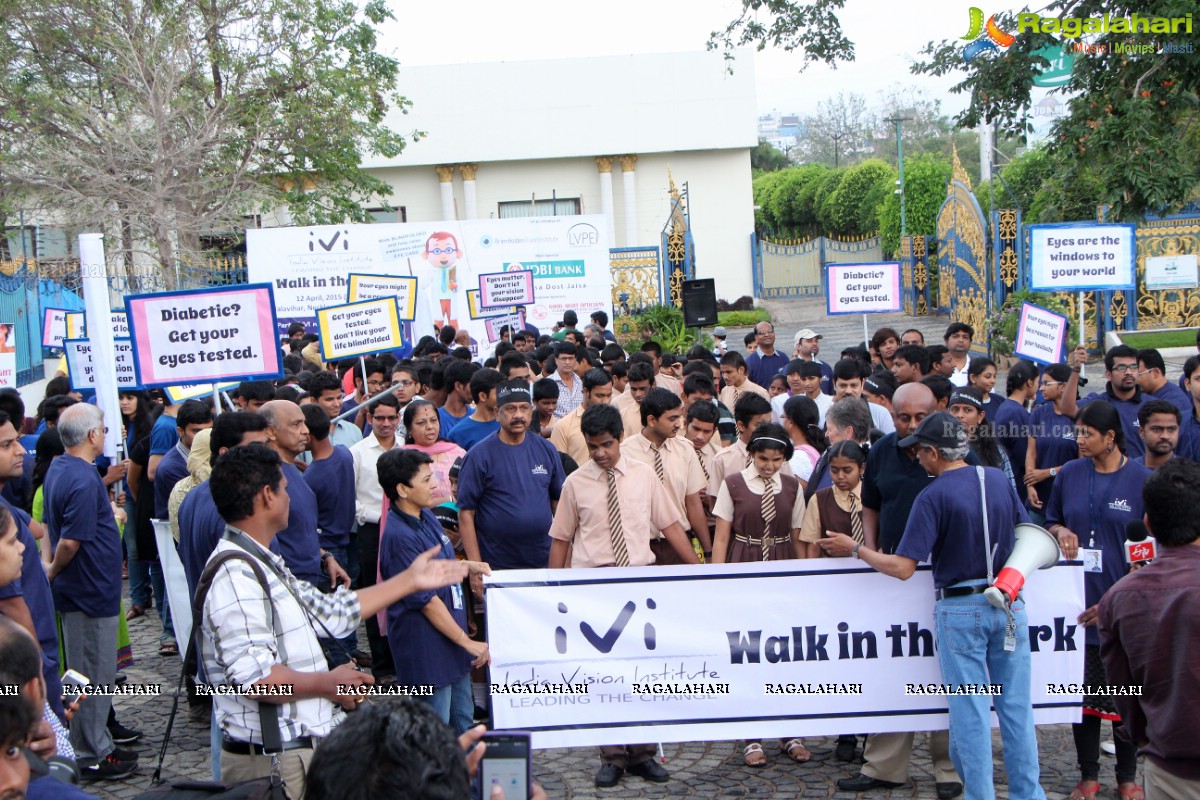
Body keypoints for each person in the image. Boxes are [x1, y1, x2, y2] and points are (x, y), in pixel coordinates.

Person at [199, 443, 473, 799]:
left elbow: (331, 612)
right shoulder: (237, 576)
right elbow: (259, 683)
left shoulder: (263, 562)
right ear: (267, 496)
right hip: (275, 762)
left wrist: (410, 580)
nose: (289, 498)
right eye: (284, 488)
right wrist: (328, 684)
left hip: (297, 752)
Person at [821, 413, 1045, 800]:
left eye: (920, 453)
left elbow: (903, 568)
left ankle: (981, 796)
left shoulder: (933, 494)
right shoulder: (994, 478)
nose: (918, 460)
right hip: (1010, 602)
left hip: (960, 608)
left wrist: (856, 548)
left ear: (932, 453)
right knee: (1016, 710)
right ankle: (1030, 795)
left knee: (970, 714)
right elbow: (1026, 535)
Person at [548, 404, 696, 788]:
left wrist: (699, 569)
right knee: (604, 675)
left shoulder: (644, 475)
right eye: (593, 446)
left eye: (607, 445)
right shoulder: (575, 483)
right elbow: (561, 539)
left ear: (619, 438)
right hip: (594, 587)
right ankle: (612, 755)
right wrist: (553, 590)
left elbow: (669, 524)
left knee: (641, 672)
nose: (600, 453)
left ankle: (644, 753)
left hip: (638, 583)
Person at [837, 384, 965, 796]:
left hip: (946, 577)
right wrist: (872, 549)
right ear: (888, 414)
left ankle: (950, 768)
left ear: (938, 410)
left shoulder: (959, 451)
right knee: (893, 665)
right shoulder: (881, 451)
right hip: (893, 573)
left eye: (919, 417)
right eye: (902, 417)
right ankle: (883, 767)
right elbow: (871, 503)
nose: (911, 425)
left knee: (947, 673)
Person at [1045, 401, 1150, 800]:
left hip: (1122, 607)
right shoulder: (1070, 473)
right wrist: (1059, 529)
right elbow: (1050, 517)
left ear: (1110, 437)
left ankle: (1127, 778)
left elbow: (1148, 551)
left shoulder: (1140, 479)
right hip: (1077, 608)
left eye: (1087, 432)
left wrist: (1117, 600)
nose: (1080, 439)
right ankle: (1088, 775)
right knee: (1083, 700)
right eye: (1078, 431)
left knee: (1125, 698)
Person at [1099, 459, 1200, 798]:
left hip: (1169, 766)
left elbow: (1122, 687)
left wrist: (1143, 737)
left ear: (1148, 523)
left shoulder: (1118, 599)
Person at [710, 423, 808, 766]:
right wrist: (718, 580)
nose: (768, 465)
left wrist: (803, 577)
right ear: (751, 455)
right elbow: (721, 535)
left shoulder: (793, 486)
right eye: (763, 458)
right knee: (749, 651)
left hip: (781, 564)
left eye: (776, 459)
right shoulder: (734, 483)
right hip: (744, 563)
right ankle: (751, 734)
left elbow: (797, 535)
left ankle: (789, 730)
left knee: (784, 650)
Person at [42, 405, 129, 780]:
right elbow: (70, 540)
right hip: (88, 592)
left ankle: (95, 742)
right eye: (104, 429)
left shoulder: (61, 469)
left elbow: (50, 527)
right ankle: (91, 752)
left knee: (90, 670)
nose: (106, 434)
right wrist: (52, 569)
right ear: (92, 436)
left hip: (86, 589)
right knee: (92, 673)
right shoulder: (79, 477)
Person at [378, 450, 489, 734]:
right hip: (426, 651)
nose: (434, 485)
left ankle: (464, 777)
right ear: (402, 489)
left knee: (463, 723)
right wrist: (467, 641)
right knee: (434, 733)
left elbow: (442, 563)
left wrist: (468, 566)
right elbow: (427, 603)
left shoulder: (424, 515)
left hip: (452, 646)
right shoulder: (400, 537)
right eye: (426, 479)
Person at [458, 381, 565, 588]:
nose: (518, 415)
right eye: (510, 408)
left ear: (531, 411)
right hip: (497, 568)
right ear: (497, 412)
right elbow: (466, 514)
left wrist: (563, 559)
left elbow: (558, 505)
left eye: (524, 408)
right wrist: (477, 566)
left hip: (544, 562)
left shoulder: (546, 450)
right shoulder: (478, 455)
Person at [0, 413, 65, 727]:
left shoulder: (7, 509)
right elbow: (11, 602)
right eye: (7, 444)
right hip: (25, 662)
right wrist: (38, 668)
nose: (20, 451)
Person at [350, 394, 405, 679]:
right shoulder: (358, 452)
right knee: (375, 595)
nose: (386, 424)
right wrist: (369, 515)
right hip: (372, 530)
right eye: (379, 418)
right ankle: (383, 666)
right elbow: (350, 495)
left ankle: (403, 660)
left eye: (391, 418)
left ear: (398, 418)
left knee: (404, 593)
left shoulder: (406, 449)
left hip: (404, 529)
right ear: (369, 418)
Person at [621, 388, 711, 562]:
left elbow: (693, 503)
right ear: (652, 420)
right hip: (639, 546)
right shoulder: (624, 453)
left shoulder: (685, 449)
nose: (679, 424)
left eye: (680, 416)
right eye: (672, 419)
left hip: (679, 545)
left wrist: (708, 552)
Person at [1025, 362, 1082, 522]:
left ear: (1063, 386)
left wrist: (1048, 472)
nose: (1041, 388)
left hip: (1068, 496)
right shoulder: (1038, 414)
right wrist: (1030, 485)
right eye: (1041, 384)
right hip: (1040, 499)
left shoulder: (1078, 417)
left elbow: (1082, 461)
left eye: (1046, 383)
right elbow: (1031, 452)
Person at [1067, 345, 1146, 459]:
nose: (1128, 372)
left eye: (1133, 367)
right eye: (1121, 368)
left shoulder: (1150, 405)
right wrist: (1076, 369)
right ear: (1108, 374)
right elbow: (1068, 408)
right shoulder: (1097, 403)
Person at [804, 397, 873, 502]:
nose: (826, 434)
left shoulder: (872, 463)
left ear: (848, 432)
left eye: (829, 429)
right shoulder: (826, 456)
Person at [949, 388, 1017, 493]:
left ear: (980, 416)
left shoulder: (996, 452)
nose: (960, 415)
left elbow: (1010, 492)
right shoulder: (938, 450)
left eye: (967, 410)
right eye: (955, 409)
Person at [402, 400, 466, 506]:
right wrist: (448, 500)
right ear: (409, 428)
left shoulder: (457, 452)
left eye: (433, 420)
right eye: (421, 423)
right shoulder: (403, 458)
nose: (430, 427)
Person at [550, 368, 614, 467]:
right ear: (586, 392)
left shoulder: (615, 422)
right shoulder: (563, 426)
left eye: (609, 396)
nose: (605, 401)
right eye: (600, 396)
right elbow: (558, 466)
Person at [994, 361, 1038, 492]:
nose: (1039, 386)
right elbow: (1024, 452)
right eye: (1038, 382)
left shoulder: (1009, 407)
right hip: (1017, 480)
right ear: (1030, 382)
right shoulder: (1015, 412)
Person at [831, 358, 896, 435]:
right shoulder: (823, 411)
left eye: (854, 385)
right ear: (834, 384)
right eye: (843, 386)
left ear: (862, 384)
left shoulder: (880, 413)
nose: (848, 391)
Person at [446, 368, 502, 450]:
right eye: (499, 393)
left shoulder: (508, 424)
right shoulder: (458, 433)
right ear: (483, 396)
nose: (504, 398)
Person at [307, 371, 365, 450]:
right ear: (313, 401)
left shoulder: (354, 431)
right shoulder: (305, 435)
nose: (337, 404)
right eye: (329, 399)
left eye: (339, 398)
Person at [780, 395, 826, 484]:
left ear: (790, 422)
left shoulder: (798, 458)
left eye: (783, 416)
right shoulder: (812, 449)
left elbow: (792, 493)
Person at [1135, 348, 1192, 421]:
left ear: (1155, 373)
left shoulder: (1174, 403)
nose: (1136, 380)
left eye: (1139, 374)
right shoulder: (1150, 394)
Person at [772, 360, 831, 427]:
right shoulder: (787, 401)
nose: (807, 383)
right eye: (803, 379)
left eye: (811, 378)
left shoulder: (830, 403)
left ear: (820, 379)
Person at [1134, 399, 1180, 469]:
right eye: (1157, 429)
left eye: (1171, 429)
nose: (1165, 436)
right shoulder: (1129, 471)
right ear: (1141, 432)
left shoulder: (1189, 474)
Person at [438, 360, 478, 437]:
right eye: (473, 385)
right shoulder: (436, 419)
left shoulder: (476, 416)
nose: (477, 390)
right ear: (458, 386)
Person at [745, 322, 788, 389]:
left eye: (770, 331)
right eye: (762, 332)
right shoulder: (749, 362)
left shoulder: (783, 357)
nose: (767, 334)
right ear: (756, 338)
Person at [792, 327, 833, 394]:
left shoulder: (826, 367)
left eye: (816, 341)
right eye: (809, 341)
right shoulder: (789, 369)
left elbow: (831, 394)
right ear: (798, 346)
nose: (814, 344)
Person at [549, 342, 584, 418]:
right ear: (556, 360)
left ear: (576, 359)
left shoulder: (580, 382)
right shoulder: (548, 383)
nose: (567, 362)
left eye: (571, 358)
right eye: (563, 359)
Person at [943, 322, 974, 387]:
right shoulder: (939, 366)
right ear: (946, 341)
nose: (961, 340)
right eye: (955, 336)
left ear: (970, 342)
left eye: (965, 337)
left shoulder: (977, 365)